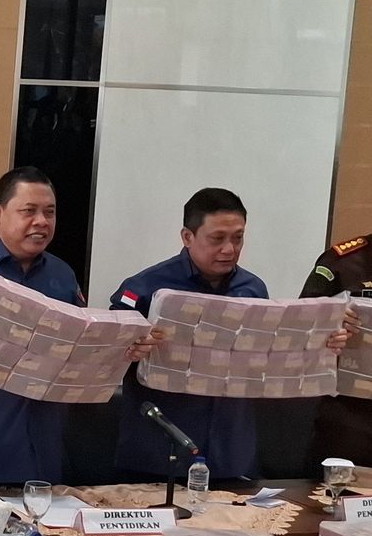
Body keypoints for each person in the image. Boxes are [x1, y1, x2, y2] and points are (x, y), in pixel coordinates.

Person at [0, 166, 145, 489]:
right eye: (29, 211)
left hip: (42, 455)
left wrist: (124, 349)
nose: (42, 221)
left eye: (50, 212)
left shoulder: (62, 275)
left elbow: (79, 348)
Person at [110, 188, 349, 480]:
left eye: (238, 238)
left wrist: (322, 344)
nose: (229, 249)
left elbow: (269, 360)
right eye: (217, 238)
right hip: (160, 452)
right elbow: (105, 357)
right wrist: (130, 347)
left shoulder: (253, 289)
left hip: (232, 451)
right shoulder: (145, 288)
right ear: (187, 237)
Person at [300, 232, 372, 466]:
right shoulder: (342, 262)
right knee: (336, 487)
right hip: (351, 417)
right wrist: (330, 323)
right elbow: (300, 330)